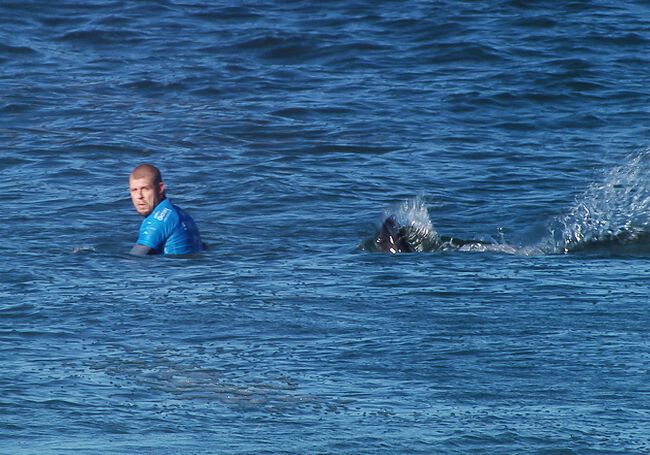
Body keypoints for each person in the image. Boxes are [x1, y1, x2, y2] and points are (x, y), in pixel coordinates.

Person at [128, 164, 203, 256]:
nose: (139, 196)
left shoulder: (157, 222)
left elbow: (134, 260)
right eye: (134, 190)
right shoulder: (180, 213)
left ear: (160, 188)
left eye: (145, 189)